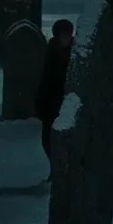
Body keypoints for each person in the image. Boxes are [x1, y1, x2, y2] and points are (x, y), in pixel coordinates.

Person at [35, 19, 75, 180]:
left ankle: (64, 171)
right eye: (63, 35)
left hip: (68, 101)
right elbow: (45, 78)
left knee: (65, 140)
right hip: (51, 101)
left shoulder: (75, 53)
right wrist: (40, 102)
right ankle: (56, 169)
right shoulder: (51, 51)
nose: (66, 38)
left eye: (68, 34)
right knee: (48, 140)